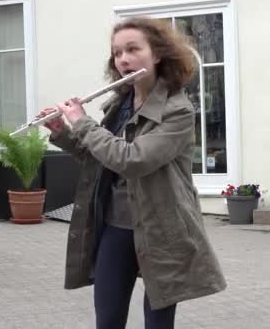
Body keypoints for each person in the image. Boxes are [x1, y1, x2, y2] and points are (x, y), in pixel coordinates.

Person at [40, 17, 226, 329]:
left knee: (158, 322)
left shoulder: (177, 110)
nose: (123, 59)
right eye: (117, 53)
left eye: (132, 49)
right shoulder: (120, 103)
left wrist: (83, 122)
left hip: (163, 228)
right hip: (117, 225)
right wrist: (62, 131)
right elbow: (98, 156)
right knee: (108, 319)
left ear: (156, 54)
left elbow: (132, 159)